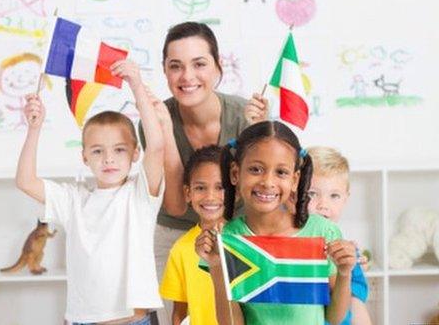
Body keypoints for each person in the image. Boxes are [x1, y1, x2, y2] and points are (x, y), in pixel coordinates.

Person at [16, 59, 164, 325]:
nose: (109, 159)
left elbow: (157, 146)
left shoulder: (140, 195)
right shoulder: (74, 199)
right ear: (85, 157)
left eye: (119, 149)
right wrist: (34, 129)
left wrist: (137, 86)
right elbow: (26, 181)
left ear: (135, 153)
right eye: (98, 151)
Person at [139, 21, 269, 325]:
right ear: (164, 71)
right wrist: (165, 130)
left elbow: (262, 192)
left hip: (233, 232)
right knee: (174, 315)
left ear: (217, 66)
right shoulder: (155, 120)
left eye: (199, 63)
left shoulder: (243, 115)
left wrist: (258, 132)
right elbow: (175, 205)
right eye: (176, 66)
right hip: (174, 234)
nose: (187, 76)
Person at [195, 121, 356, 325]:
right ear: (235, 173)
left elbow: (334, 318)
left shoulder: (323, 231)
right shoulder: (226, 238)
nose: (268, 182)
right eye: (255, 169)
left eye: (281, 172)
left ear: (295, 180)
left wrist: (344, 273)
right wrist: (217, 265)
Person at [159, 145, 225, 325]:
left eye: (220, 187)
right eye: (200, 188)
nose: (210, 196)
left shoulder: (246, 239)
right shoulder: (180, 249)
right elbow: (178, 314)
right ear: (188, 193)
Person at [307, 146, 372, 325]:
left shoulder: (343, 245)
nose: (323, 205)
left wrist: (359, 261)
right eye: (312, 194)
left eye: (334, 196)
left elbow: (357, 300)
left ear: (346, 199)